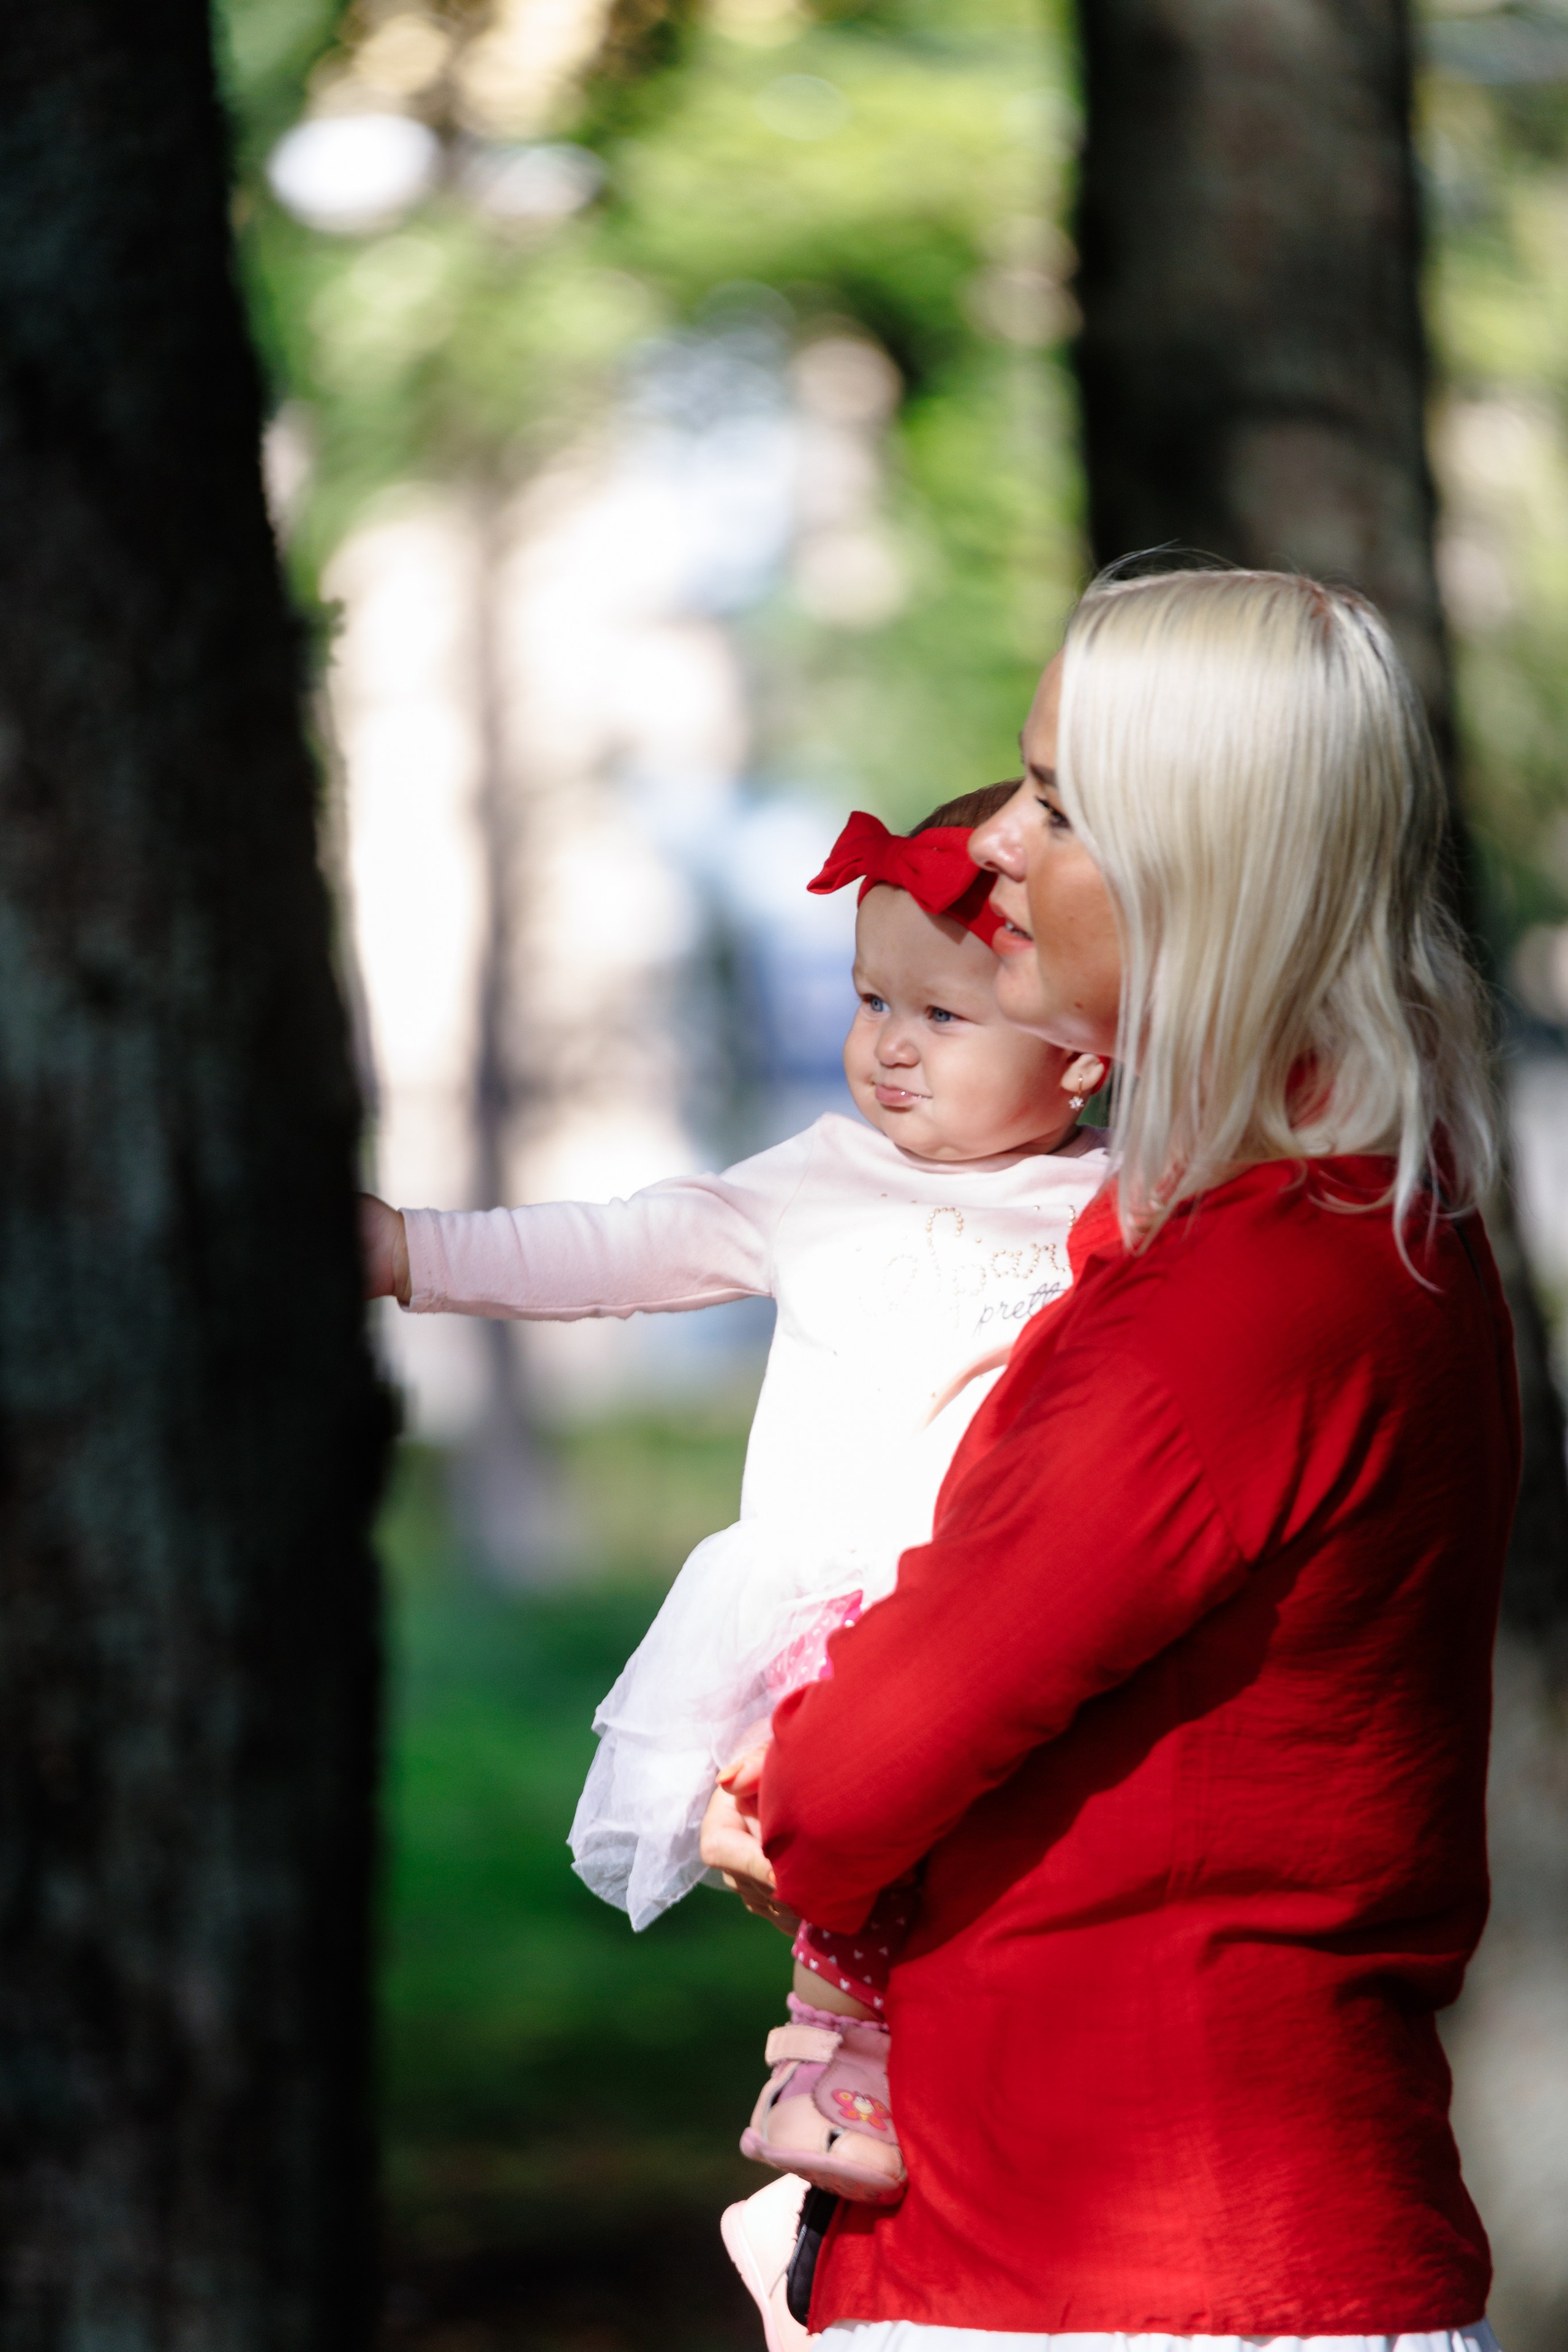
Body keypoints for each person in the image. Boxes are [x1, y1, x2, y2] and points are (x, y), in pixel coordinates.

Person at [704, 567, 1517, 2351]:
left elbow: (843, 1785)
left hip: (1135, 2283)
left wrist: (765, 1781)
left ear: (1201, 870)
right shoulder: (1349, 1228)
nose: (991, 848)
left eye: (1059, 806)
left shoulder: (1245, 1298)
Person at [358, 785, 1112, 2217]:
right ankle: (828, 2062)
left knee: (1004, 1858)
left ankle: (973, 2078)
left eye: (943, 1016)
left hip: (998, 1604)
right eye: (870, 1000)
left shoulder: (1125, 1205)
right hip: (826, 1596)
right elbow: (626, 1247)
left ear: (1080, 1050)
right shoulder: (819, 1180)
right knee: (833, 1838)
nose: (888, 1044)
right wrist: (412, 1252)